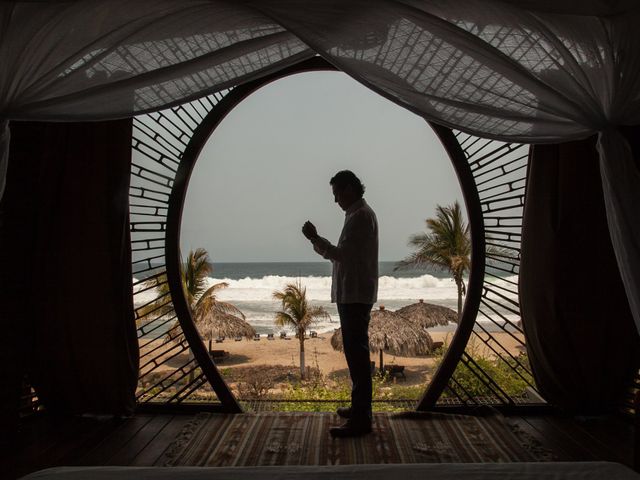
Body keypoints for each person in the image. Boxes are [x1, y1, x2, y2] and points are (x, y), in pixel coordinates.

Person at [302, 170, 378, 437]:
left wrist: (314, 238)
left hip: (354, 294)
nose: (335, 201)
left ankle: (361, 418)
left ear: (349, 189)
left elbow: (340, 255)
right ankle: (360, 410)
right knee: (356, 354)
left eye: (336, 194)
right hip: (353, 293)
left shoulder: (359, 218)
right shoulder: (359, 215)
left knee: (357, 356)